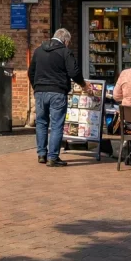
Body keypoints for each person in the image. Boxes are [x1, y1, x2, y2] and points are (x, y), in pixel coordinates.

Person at [28, 28, 84, 167]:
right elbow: (74, 72)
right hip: (57, 92)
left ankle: (41, 154)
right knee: (56, 125)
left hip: (40, 92)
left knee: (41, 123)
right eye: (69, 42)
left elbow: (31, 72)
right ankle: (53, 157)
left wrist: (37, 87)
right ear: (65, 40)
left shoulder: (39, 50)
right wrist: (82, 84)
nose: (68, 45)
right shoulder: (65, 52)